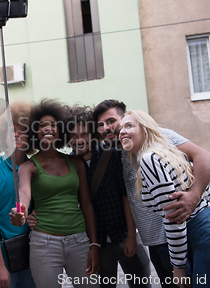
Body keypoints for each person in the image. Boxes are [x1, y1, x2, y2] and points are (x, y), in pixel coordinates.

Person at [119, 110, 210, 288]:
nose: (122, 131)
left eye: (129, 126)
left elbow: (174, 221)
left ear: (145, 129)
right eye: (121, 128)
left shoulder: (149, 159)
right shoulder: (165, 152)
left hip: (207, 241)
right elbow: (208, 192)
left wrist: (179, 267)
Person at [93, 99, 210, 287]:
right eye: (100, 125)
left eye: (111, 121)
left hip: (176, 239)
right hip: (154, 242)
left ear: (125, 118)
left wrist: (194, 194)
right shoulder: (121, 151)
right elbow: (130, 198)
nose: (105, 128)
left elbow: (205, 157)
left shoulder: (158, 136)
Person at [11, 98, 99, 288]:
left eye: (53, 125)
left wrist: (94, 244)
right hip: (44, 245)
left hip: (80, 242)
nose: (48, 128)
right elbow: (24, 193)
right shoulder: (28, 167)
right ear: (36, 131)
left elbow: (86, 204)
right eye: (42, 125)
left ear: (60, 131)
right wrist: (21, 212)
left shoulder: (76, 162)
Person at [64, 104, 151, 288]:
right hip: (98, 244)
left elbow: (126, 196)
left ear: (92, 134)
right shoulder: (68, 165)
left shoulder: (113, 155)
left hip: (123, 234)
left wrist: (131, 237)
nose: (79, 140)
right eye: (73, 135)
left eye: (84, 135)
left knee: (141, 283)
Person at [0, 102, 37, 288]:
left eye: (23, 130)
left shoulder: (37, 169)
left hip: (36, 252)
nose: (17, 134)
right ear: (2, 134)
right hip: (4, 254)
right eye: (12, 130)